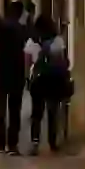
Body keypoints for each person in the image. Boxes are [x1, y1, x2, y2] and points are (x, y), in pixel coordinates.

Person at [0, 0, 30, 154]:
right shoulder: (21, 30)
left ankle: (0, 143)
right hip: (15, 75)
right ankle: (12, 144)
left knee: (0, 111)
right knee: (14, 112)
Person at [26, 15, 71, 154]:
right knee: (53, 112)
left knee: (36, 114)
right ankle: (52, 143)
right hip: (54, 80)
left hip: (39, 81)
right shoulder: (58, 41)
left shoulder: (31, 42)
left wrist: (28, 79)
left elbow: (27, 63)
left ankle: (35, 143)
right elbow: (64, 60)